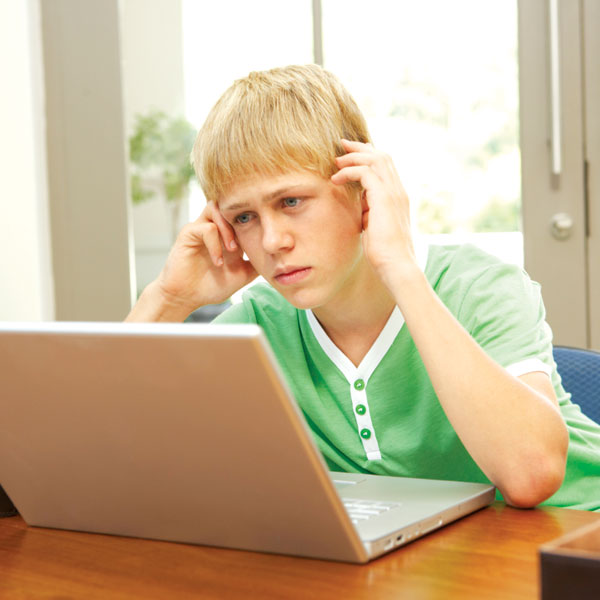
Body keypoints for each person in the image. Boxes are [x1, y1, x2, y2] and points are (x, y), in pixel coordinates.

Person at [127, 64, 600, 511]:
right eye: (244, 217)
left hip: (573, 541)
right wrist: (167, 300)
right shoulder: (257, 324)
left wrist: (399, 267)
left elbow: (531, 475)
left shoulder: (481, 286)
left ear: (362, 187)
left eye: (291, 201)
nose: (272, 241)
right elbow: (91, 451)